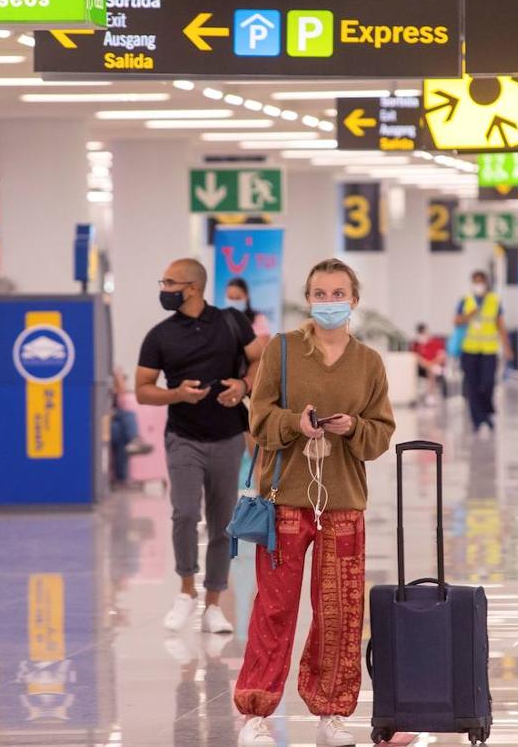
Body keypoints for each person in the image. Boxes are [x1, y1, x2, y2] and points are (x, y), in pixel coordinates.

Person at [234, 258, 395, 747]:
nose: (329, 302)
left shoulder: (368, 362)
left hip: (343, 500)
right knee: (274, 607)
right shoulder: (282, 351)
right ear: (308, 298)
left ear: (354, 300)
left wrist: (354, 429)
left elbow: (381, 434)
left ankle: (332, 712)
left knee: (340, 613)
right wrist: (294, 424)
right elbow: (259, 418)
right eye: (320, 294)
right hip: (285, 497)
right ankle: (256, 713)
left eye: (338, 293)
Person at [137, 259, 267, 635]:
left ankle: (213, 603)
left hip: (227, 437)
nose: (164, 288)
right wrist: (175, 393)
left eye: (170, 282)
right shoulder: (159, 336)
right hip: (183, 438)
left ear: (192, 287)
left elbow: (259, 360)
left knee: (223, 524)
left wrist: (243, 386)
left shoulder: (231, 322)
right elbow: (142, 389)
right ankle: (184, 589)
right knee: (184, 513)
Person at [454, 271, 512, 435]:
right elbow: (456, 322)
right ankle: (478, 420)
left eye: (481, 281)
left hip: (489, 350)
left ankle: (487, 412)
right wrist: (468, 315)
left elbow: (500, 325)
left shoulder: (494, 300)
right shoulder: (466, 300)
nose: (478, 285)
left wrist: (507, 347)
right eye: (475, 282)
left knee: (487, 384)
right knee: (472, 386)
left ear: (486, 283)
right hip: (469, 350)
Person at [411, 322, 447, 404]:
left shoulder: (436, 342)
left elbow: (441, 356)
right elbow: (416, 357)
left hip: (435, 365)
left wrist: (433, 363)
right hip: (421, 368)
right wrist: (428, 364)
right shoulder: (416, 344)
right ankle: (434, 369)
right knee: (427, 365)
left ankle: (430, 395)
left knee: (431, 371)